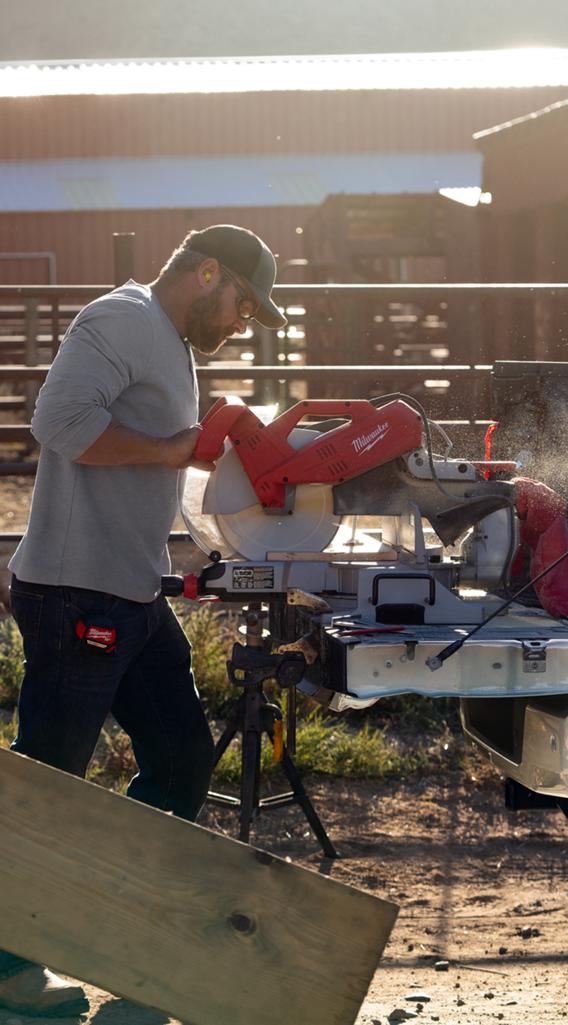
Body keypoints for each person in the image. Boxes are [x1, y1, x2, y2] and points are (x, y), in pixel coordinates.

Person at [0, 224, 287, 1016]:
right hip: (76, 592)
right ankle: (5, 971)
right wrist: (176, 450)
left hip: (128, 589)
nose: (239, 323)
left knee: (185, 756)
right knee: (49, 786)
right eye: (240, 305)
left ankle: (123, 929)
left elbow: (163, 448)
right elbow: (57, 425)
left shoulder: (172, 341)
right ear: (206, 273)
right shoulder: (123, 319)